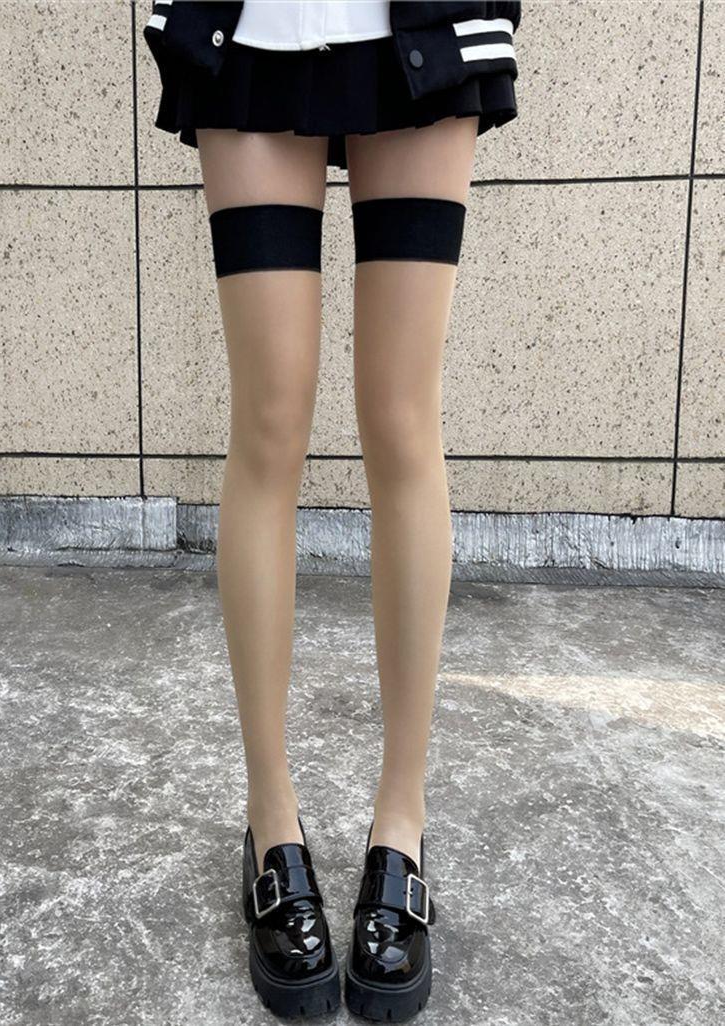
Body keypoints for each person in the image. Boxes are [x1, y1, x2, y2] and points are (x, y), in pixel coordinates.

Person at [143, 1, 522, 1019]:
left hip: (420, 30)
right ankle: (271, 820)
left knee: (401, 419)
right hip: (252, 35)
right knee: (270, 420)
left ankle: (402, 822)